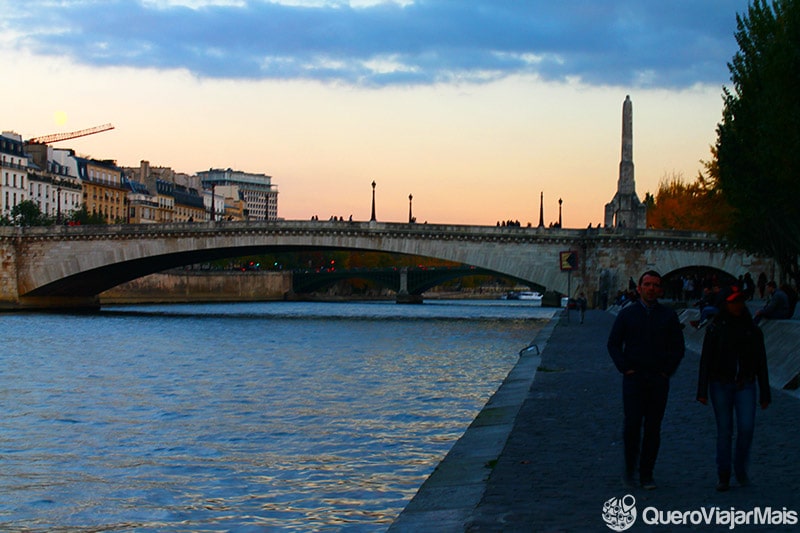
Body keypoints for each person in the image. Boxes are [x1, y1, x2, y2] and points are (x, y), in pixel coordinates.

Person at [607, 270, 686, 490]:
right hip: (634, 378)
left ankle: (647, 474)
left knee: (653, 427)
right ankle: (630, 469)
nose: (651, 288)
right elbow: (613, 344)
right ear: (639, 288)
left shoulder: (668, 316)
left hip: (658, 379)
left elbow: (678, 348)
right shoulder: (627, 315)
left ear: (660, 290)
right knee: (631, 425)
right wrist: (625, 368)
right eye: (647, 284)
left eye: (655, 285)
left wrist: (666, 371)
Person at [696, 286, 770, 491]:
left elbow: (761, 363)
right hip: (720, 383)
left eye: (739, 300)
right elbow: (706, 361)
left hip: (746, 383)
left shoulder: (753, 330)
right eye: (732, 301)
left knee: (746, 428)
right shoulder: (715, 329)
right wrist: (702, 391)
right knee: (724, 430)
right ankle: (724, 474)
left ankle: (740, 467)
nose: (737, 305)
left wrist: (765, 392)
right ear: (724, 304)